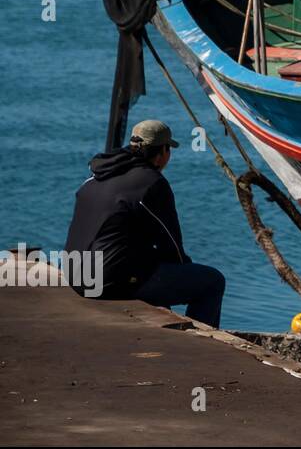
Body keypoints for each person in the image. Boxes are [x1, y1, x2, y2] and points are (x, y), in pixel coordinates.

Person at [66, 119, 225, 327]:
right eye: (169, 150)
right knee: (211, 281)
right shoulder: (152, 183)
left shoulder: (97, 175)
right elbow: (171, 243)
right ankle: (200, 342)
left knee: (152, 263)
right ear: (162, 154)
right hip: (107, 282)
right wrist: (183, 272)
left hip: (75, 276)